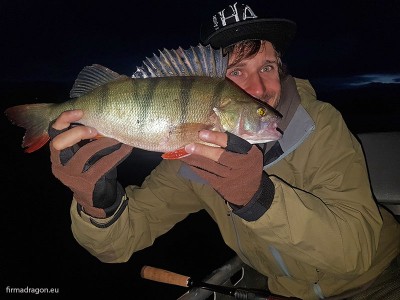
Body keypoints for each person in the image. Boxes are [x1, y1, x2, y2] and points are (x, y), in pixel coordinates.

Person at [48, 2, 399, 299]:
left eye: (267, 67)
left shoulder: (319, 125)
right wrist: (99, 207)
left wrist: (259, 199)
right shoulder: (190, 153)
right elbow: (119, 244)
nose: (259, 87)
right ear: (214, 81)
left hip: (377, 281)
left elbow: (357, 253)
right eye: (237, 72)